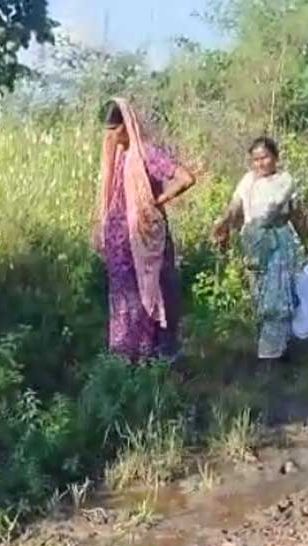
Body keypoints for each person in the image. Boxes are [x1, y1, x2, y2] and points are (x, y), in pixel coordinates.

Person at [94, 98, 196, 362]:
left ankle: (153, 355)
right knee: (123, 297)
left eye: (114, 130)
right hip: (120, 244)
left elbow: (185, 178)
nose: (110, 137)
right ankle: (126, 355)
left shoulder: (146, 154)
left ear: (126, 127)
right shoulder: (115, 158)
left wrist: (157, 201)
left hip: (144, 239)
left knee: (150, 292)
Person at [211, 137, 306, 366]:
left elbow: (294, 214)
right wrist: (222, 225)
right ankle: (276, 348)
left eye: (264, 158)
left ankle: (271, 358)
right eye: (255, 159)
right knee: (260, 296)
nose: (260, 164)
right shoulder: (247, 182)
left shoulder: (285, 181)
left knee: (278, 297)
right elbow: (235, 207)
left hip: (278, 243)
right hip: (254, 246)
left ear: (275, 158)